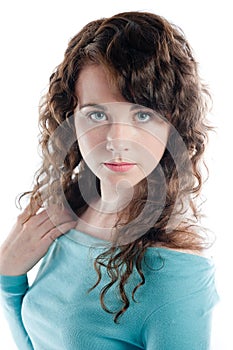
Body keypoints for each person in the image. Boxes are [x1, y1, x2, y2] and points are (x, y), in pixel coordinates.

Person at [0, 11, 219, 349]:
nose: (117, 139)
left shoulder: (174, 275)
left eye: (142, 115)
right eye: (97, 115)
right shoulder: (69, 214)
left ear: (172, 123)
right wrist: (9, 277)